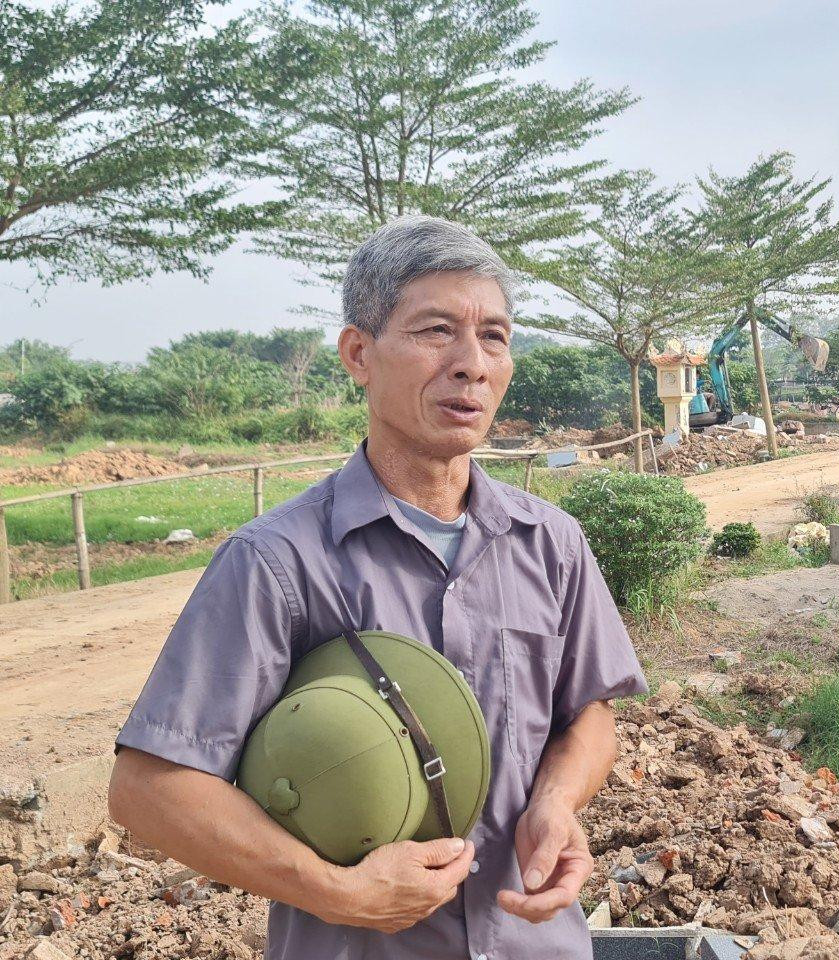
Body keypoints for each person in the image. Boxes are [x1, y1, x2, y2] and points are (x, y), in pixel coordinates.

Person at [108, 216, 648, 960]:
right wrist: (340, 894)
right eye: (435, 331)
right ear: (359, 353)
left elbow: (588, 716)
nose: (471, 363)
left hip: (537, 942)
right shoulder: (278, 562)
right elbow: (150, 787)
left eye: (494, 336)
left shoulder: (550, 543)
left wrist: (556, 801)